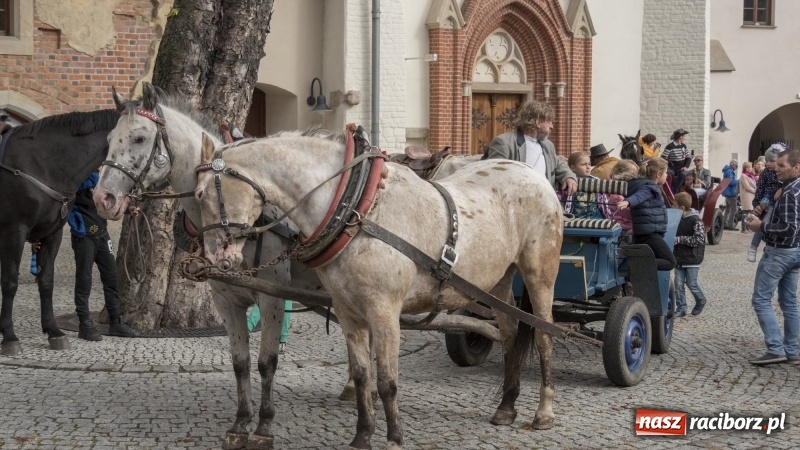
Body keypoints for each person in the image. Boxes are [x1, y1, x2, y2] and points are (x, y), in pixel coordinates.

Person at [68, 171, 139, 341]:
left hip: (102, 233)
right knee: (84, 279)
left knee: (111, 278)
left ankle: (115, 322)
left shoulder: (102, 175)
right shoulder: (81, 174)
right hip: (83, 234)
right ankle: (84, 324)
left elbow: (107, 202)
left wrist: (126, 209)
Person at [744, 149, 800, 365]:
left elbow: (790, 228)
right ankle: (793, 351)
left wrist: (762, 226)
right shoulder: (791, 189)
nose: (777, 168)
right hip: (794, 252)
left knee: (760, 300)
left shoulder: (790, 194)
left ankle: (776, 348)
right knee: (789, 302)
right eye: (777, 164)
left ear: (796, 167)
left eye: (782, 165)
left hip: (780, 252)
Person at [483, 100, 577, 195]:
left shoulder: (548, 145)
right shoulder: (504, 143)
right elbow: (495, 175)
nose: (552, 126)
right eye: (549, 121)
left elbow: (558, 164)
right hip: (517, 200)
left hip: (545, 200)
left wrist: (569, 177)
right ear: (538, 122)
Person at [616, 157, 677, 271]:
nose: (667, 176)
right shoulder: (650, 187)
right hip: (649, 234)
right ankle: (635, 264)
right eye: (665, 173)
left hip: (645, 232)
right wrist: (628, 202)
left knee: (655, 258)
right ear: (659, 174)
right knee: (670, 262)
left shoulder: (639, 184)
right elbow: (639, 196)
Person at [672, 192, 708, 317]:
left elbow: (698, 239)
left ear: (682, 208)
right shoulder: (676, 220)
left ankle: (701, 299)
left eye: (674, 206)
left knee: (691, 283)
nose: (672, 208)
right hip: (679, 257)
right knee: (678, 284)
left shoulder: (696, 220)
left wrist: (680, 239)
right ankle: (681, 308)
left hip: (692, 258)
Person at [748, 145, 784, 262]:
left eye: (772, 161)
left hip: (779, 203)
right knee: (762, 224)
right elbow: (760, 189)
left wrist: (782, 189)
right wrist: (757, 204)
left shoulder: (784, 173)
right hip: (767, 201)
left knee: (765, 224)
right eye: (767, 160)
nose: (768, 163)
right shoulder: (765, 173)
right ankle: (753, 247)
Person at [559, 151, 613, 219]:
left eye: (589, 164)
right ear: (573, 168)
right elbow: (563, 201)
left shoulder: (596, 181)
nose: (588, 167)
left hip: (596, 217)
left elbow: (603, 202)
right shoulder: (569, 181)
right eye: (583, 164)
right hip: (575, 218)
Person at [661, 129, 691, 193]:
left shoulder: (684, 146)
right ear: (680, 137)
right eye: (684, 136)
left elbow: (688, 157)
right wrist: (669, 164)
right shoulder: (670, 146)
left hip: (682, 168)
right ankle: (668, 191)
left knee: (683, 174)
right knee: (669, 173)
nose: (684, 138)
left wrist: (686, 166)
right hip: (672, 168)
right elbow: (663, 158)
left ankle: (676, 190)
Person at [739, 161, 757, 233]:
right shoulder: (743, 175)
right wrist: (756, 191)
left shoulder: (750, 176)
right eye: (750, 167)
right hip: (746, 196)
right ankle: (744, 228)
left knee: (749, 212)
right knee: (746, 212)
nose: (751, 168)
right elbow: (747, 187)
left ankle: (748, 227)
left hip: (751, 196)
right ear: (746, 168)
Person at [721, 159, 739, 230]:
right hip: (731, 193)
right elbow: (731, 183)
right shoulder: (729, 171)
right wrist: (738, 181)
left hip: (727, 193)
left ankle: (725, 223)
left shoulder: (727, 170)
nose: (737, 167)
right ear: (733, 164)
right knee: (733, 209)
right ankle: (730, 225)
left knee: (728, 209)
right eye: (736, 166)